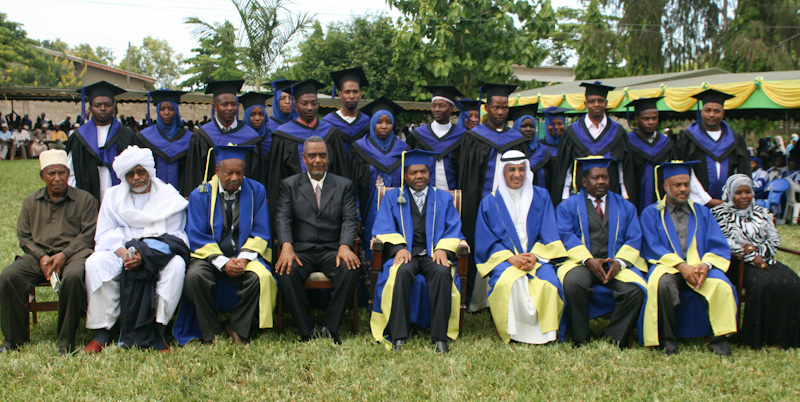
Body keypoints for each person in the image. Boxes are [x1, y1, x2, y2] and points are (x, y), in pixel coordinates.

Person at [82, 146, 188, 353]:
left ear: (150, 171)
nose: (137, 177)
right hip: (121, 253)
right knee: (95, 263)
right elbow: (104, 233)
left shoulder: (168, 196)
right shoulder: (112, 196)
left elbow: (176, 236)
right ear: (124, 176)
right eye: (130, 174)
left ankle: (158, 330)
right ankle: (102, 332)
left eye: (141, 171)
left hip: (156, 254)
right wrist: (124, 253)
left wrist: (145, 255)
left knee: (176, 265)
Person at [0, 150, 97, 355]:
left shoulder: (85, 200)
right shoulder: (31, 202)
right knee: (9, 276)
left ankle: (66, 340)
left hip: (73, 255)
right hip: (39, 257)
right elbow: (24, 236)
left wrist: (64, 255)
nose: (57, 178)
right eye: (51, 173)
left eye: (61, 172)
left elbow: (88, 234)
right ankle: (14, 339)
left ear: (68, 174)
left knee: (73, 276)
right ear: (42, 176)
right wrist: (42, 256)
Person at [179, 145, 277, 346]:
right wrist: (223, 262)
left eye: (239, 173)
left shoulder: (256, 190)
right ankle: (212, 332)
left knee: (260, 278)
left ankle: (237, 327)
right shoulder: (201, 194)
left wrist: (243, 259)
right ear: (217, 171)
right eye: (229, 173)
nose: (235, 178)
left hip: (244, 255)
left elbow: (261, 231)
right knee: (195, 277)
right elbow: (197, 234)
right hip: (211, 257)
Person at [370, 149, 464, 353]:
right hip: (407, 253)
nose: (419, 176)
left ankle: (440, 338)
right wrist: (399, 248)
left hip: (432, 254)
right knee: (401, 272)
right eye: (413, 172)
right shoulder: (392, 197)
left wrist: (443, 249)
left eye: (423, 171)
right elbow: (384, 226)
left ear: (429, 173)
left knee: (442, 273)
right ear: (405, 175)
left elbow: (454, 228)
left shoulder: (443, 198)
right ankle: (399, 336)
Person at [640, 161, 737, 356]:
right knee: (662, 285)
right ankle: (667, 342)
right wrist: (681, 266)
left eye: (686, 184)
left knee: (722, 286)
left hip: (699, 266)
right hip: (667, 266)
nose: (683, 189)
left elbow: (716, 243)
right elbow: (652, 246)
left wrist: (706, 265)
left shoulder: (702, 212)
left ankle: (719, 341)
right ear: (666, 186)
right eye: (677, 185)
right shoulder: (652, 213)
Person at [474, 150, 567, 344]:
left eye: (521, 169)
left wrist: (534, 256)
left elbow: (549, 231)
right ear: (502, 172)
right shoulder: (490, 202)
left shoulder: (541, 196)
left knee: (550, 283)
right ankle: (513, 333)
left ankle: (547, 334)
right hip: (505, 260)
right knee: (510, 283)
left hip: (537, 258)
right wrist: (511, 258)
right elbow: (485, 240)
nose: (517, 174)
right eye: (512, 170)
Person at [274, 137, 360, 344]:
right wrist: (286, 246)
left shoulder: (344, 185)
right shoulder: (290, 185)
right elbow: (282, 217)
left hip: (333, 250)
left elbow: (350, 219)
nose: (318, 160)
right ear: (304, 158)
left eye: (322, 155)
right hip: (301, 251)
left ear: (329, 158)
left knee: (350, 269)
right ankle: (307, 330)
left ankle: (331, 327)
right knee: (286, 271)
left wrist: (345, 246)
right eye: (312, 156)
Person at [556, 156, 646, 347]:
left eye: (605, 177)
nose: (601, 182)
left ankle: (613, 337)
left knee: (635, 291)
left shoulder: (625, 206)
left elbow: (634, 237)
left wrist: (619, 262)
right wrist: (588, 260)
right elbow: (565, 235)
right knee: (573, 284)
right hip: (582, 263)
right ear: (584, 181)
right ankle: (580, 337)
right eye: (595, 178)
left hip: (615, 263)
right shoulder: (568, 206)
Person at [456, 83, 527, 311]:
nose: (500, 112)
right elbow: (467, 176)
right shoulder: (474, 137)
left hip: (512, 203)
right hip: (480, 204)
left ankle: (510, 295)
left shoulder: (516, 139)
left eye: (504, 108)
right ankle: (477, 299)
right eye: (496, 107)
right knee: (481, 243)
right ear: (486, 108)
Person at [710, 174, 800, 348]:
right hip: (737, 263)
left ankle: (784, 337)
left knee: (793, 282)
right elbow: (725, 241)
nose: (744, 196)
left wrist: (758, 252)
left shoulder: (761, 212)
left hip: (766, 259)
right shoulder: (720, 213)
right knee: (761, 285)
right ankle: (757, 338)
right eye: (739, 193)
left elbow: (774, 239)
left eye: (748, 192)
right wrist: (752, 257)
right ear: (730, 193)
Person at [267, 79, 348, 221]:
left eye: (314, 103)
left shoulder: (330, 133)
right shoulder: (283, 136)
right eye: (304, 103)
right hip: (294, 208)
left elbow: (340, 172)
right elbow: (276, 178)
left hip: (329, 207)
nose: (310, 107)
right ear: (295, 106)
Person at [551, 82, 633, 206]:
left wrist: (625, 195)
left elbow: (622, 168)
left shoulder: (618, 132)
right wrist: (564, 197)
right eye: (592, 101)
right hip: (580, 196)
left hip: (611, 196)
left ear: (606, 103)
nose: (596, 104)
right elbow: (566, 169)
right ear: (585, 104)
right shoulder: (572, 132)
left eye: (600, 101)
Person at [181, 79, 265, 197]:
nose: (230, 108)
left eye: (234, 104)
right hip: (209, 198)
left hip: (244, 197)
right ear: (215, 106)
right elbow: (194, 174)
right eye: (224, 104)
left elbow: (258, 174)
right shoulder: (202, 136)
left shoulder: (251, 137)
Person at [675, 89, 751, 208]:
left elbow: (742, 171)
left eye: (717, 111)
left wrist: (732, 199)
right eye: (708, 110)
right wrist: (706, 199)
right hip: (697, 203)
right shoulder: (689, 138)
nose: (712, 115)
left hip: (729, 204)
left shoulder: (735, 139)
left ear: (723, 113)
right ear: (701, 112)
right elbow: (686, 171)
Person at [406, 86, 467, 191]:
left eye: (442, 106)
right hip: (422, 193)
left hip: (453, 193)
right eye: (434, 106)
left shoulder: (462, 136)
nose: (437, 109)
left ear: (451, 108)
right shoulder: (418, 135)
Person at [624, 97, 675, 214]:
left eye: (654, 118)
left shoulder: (665, 143)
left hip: (663, 198)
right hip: (636, 198)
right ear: (636, 119)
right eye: (646, 119)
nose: (651, 122)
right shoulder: (628, 143)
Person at [137, 90, 191, 191]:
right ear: (157, 111)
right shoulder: (144, 137)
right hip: (151, 192)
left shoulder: (189, 138)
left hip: (181, 194)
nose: (166, 113)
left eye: (171, 109)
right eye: (162, 109)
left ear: (176, 111)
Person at [322, 67, 371, 154]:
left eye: (355, 92)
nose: (351, 96)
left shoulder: (367, 122)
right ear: (340, 94)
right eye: (347, 92)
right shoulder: (328, 123)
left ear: (360, 94)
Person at [509, 103, 551, 188]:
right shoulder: (509, 151)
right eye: (524, 126)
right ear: (516, 127)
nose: (528, 129)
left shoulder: (543, 153)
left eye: (532, 126)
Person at [239, 91, 273, 179]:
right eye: (252, 114)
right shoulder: (241, 137)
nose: (257, 118)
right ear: (246, 116)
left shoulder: (271, 137)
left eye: (261, 114)